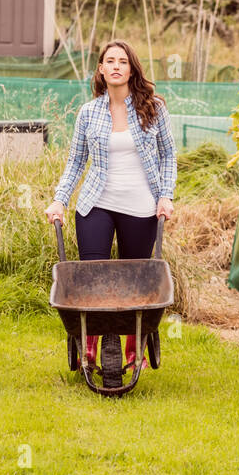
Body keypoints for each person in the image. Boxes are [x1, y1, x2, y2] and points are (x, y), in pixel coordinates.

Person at [45, 40, 176, 375]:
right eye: (110, 61)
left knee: (136, 280)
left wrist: (166, 195)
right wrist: (60, 199)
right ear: (101, 69)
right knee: (92, 279)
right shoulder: (89, 113)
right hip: (96, 203)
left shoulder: (154, 108)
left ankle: (134, 349)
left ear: (132, 69)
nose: (116, 66)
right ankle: (89, 345)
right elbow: (75, 162)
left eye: (123, 61)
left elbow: (168, 156)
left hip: (140, 205)